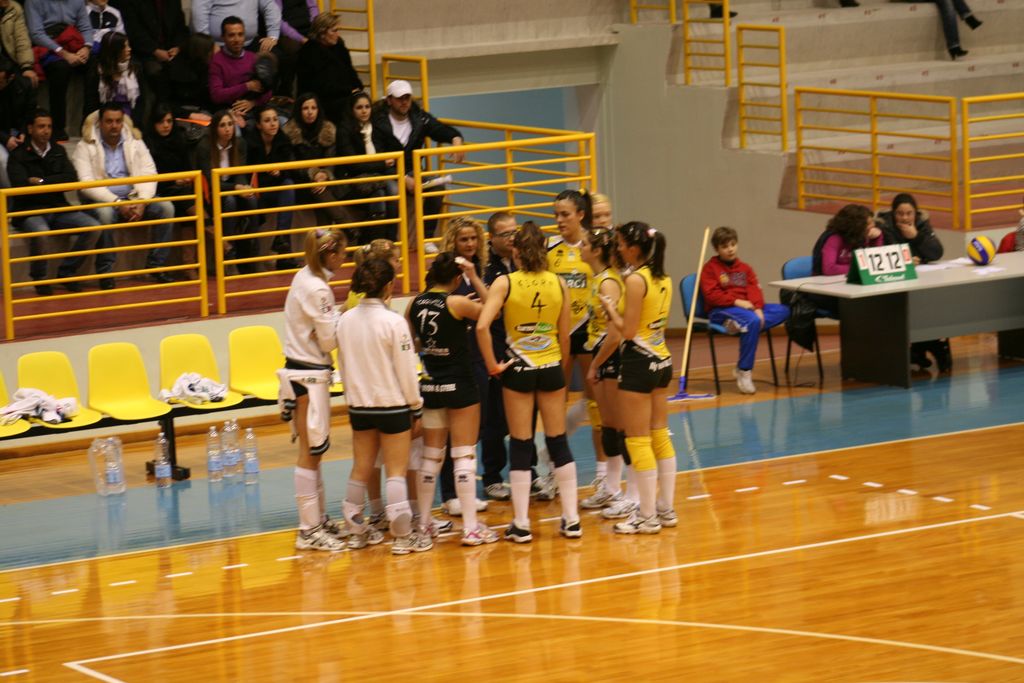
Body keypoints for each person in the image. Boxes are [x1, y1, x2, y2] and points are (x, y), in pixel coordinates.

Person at [476, 221, 583, 543]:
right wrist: (560, 373)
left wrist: (493, 365)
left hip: (519, 369)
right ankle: (572, 519)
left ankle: (521, 524)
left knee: (521, 444)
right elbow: (565, 336)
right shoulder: (558, 283)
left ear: (516, 250)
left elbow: (482, 327)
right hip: (551, 366)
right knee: (558, 442)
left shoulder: (505, 282)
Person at [336, 257, 432, 555]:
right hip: (392, 406)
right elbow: (407, 370)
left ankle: (356, 533)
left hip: (359, 406)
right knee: (396, 472)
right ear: (389, 285)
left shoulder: (345, 320)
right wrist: (416, 406)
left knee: (360, 469)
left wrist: (353, 398)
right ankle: (402, 537)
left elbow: (342, 365)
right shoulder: (394, 322)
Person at [408, 253, 499, 546]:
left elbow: (412, 344)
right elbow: (493, 311)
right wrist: (474, 276)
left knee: (431, 456)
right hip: (460, 385)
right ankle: (471, 528)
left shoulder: (414, 303)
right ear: (457, 278)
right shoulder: (457, 302)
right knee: (463, 455)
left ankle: (424, 524)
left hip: (431, 386)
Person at [600, 222, 676, 534]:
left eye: (620, 244)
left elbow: (628, 331)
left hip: (638, 362)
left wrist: (610, 310)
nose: (617, 249)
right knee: (660, 435)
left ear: (633, 248)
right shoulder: (664, 277)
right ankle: (665, 509)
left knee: (638, 439)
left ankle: (646, 516)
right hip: (662, 360)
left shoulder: (635, 280)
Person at [280, 227, 350, 552]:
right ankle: (308, 530)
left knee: (315, 451)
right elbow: (329, 341)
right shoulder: (318, 289)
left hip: (305, 371)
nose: (345, 259)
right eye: (343, 253)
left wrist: (337, 316)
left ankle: (318, 520)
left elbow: (323, 329)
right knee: (310, 452)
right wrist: (345, 318)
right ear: (331, 254)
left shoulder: (305, 276)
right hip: (308, 374)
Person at [71, 102, 175, 288]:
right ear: (100, 122)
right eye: (109, 121)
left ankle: (156, 265)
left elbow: (150, 172)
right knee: (105, 214)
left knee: (166, 208)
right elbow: (86, 184)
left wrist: (142, 201)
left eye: (118, 121)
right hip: (101, 201)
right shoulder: (84, 145)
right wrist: (117, 202)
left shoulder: (135, 140)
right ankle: (106, 272)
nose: (114, 125)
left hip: (134, 197)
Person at [6, 108, 101, 295]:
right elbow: (20, 185)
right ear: (30, 129)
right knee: (41, 231)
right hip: (30, 211)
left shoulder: (58, 150)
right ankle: (40, 279)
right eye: (41, 126)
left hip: (58, 207)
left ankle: (67, 272)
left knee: (94, 228)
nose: (46, 131)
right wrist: (54, 182)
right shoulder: (17, 155)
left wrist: (41, 182)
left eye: (49, 126)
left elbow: (71, 179)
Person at [547, 189, 605, 490]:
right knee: (555, 403)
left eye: (565, 214)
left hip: (590, 330)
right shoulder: (549, 249)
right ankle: (553, 471)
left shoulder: (595, 247)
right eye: (556, 214)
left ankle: (603, 475)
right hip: (560, 332)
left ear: (581, 215)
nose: (559, 220)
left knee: (596, 404)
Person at [435, 217, 489, 518]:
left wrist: (474, 278)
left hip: (477, 357)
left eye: (473, 238)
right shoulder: (445, 271)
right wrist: (460, 304)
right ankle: (449, 494)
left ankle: (466, 491)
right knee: (449, 434)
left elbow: (492, 308)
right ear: (453, 242)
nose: (469, 244)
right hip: (453, 359)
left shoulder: (478, 269)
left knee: (473, 431)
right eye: (463, 239)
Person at [700, 226, 790, 395]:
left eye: (733, 244)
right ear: (717, 249)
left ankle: (739, 325)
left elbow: (754, 289)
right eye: (725, 246)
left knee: (784, 310)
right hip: (722, 309)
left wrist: (757, 308)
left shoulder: (745, 268)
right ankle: (744, 370)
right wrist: (737, 302)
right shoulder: (710, 268)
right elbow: (712, 296)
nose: (730, 249)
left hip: (748, 309)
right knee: (752, 321)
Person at [372, 79, 464, 244]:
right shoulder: (377, 122)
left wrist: (455, 138)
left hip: (413, 171)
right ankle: (390, 242)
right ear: (389, 100)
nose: (404, 102)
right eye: (400, 98)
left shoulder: (419, 117)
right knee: (394, 193)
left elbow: (438, 128)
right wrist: (403, 178)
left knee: (437, 188)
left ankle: (426, 239)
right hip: (386, 173)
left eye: (407, 97)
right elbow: (378, 158)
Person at [579, 227, 628, 510]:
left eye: (584, 244)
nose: (580, 247)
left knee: (619, 426)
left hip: (612, 356)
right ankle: (611, 488)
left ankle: (628, 494)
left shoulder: (609, 283)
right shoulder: (596, 279)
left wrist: (595, 365)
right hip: (600, 353)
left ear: (597, 250)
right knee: (608, 425)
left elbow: (615, 334)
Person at [876, 193, 948, 372]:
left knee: (930, 303)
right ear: (893, 214)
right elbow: (886, 254)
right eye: (900, 214)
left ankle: (925, 346)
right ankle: (924, 347)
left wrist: (917, 237)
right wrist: (906, 261)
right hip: (893, 283)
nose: (905, 218)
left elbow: (936, 252)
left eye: (909, 213)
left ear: (915, 213)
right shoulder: (885, 227)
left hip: (922, 280)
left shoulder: (922, 224)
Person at [479, 211, 518, 501]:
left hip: (522, 350)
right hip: (493, 349)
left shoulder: (523, 261)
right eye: (505, 234)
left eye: (515, 232)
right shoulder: (484, 268)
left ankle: (527, 471)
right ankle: (492, 477)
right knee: (493, 419)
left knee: (522, 417)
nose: (512, 238)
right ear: (491, 238)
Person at [195, 109, 259, 274]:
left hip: (233, 188)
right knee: (229, 200)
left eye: (230, 124)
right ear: (215, 129)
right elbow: (210, 181)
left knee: (252, 199)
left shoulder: (240, 143)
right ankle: (227, 252)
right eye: (222, 125)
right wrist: (236, 188)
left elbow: (241, 173)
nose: (227, 129)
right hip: (210, 194)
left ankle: (251, 250)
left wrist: (244, 188)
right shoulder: (205, 146)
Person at [283, 92, 354, 232]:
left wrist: (324, 174)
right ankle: (348, 228)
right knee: (318, 190)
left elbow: (331, 160)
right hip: (300, 182)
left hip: (325, 181)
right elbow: (292, 164)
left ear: (318, 110)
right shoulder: (289, 132)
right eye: (305, 108)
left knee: (321, 190)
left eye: (313, 108)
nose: (310, 112)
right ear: (299, 110)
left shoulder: (328, 130)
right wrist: (314, 174)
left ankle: (327, 239)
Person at [24, 0, 94, 141]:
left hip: (72, 40)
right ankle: (58, 127)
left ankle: (90, 122)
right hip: (48, 44)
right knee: (60, 68)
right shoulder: (33, 2)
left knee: (94, 65)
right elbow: (36, 33)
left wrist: (86, 47)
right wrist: (63, 53)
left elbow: (86, 27)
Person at [109, 0, 189, 116]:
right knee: (155, 70)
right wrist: (154, 50)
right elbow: (134, 32)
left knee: (188, 68)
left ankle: (188, 112)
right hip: (144, 51)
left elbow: (180, 28)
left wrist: (177, 47)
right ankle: (163, 115)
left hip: (171, 50)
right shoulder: (132, 3)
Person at [245, 103, 298, 270]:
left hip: (275, 190)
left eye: (275, 119)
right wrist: (265, 173)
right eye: (267, 121)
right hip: (255, 190)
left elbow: (291, 170)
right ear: (259, 125)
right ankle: (273, 253)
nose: (273, 124)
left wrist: (280, 173)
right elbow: (246, 173)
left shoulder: (283, 140)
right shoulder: (249, 142)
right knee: (251, 200)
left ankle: (281, 240)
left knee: (288, 187)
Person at [336, 90, 390, 240]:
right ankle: (375, 242)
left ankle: (389, 239)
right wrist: (382, 164)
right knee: (380, 194)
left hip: (376, 177)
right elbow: (354, 165)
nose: (364, 111)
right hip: (349, 181)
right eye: (359, 107)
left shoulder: (376, 127)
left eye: (367, 107)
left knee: (392, 191)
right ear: (352, 110)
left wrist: (383, 164)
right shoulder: (344, 130)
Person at [811, 204, 883, 315]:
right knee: (867, 305)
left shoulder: (861, 237)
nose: (873, 226)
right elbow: (829, 269)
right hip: (826, 291)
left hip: (850, 286)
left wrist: (877, 239)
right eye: (869, 223)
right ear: (856, 226)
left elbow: (874, 263)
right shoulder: (834, 238)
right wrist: (858, 268)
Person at [296, 12, 361, 128]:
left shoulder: (339, 47)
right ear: (322, 33)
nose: (337, 34)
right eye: (334, 31)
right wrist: (349, 91)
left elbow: (350, 71)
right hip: (321, 100)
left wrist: (357, 88)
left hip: (343, 94)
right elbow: (320, 85)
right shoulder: (309, 52)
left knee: (363, 102)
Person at [208, 16, 271, 126]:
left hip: (253, 109)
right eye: (231, 35)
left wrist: (254, 103)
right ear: (223, 37)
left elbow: (268, 90)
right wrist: (246, 86)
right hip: (227, 111)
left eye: (240, 34)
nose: (237, 39)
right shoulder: (217, 61)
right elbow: (216, 95)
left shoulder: (253, 58)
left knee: (280, 122)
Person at [84, 31, 139, 117]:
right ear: (116, 50)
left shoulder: (135, 68)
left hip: (129, 117)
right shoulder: (97, 71)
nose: (129, 49)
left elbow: (140, 101)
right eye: (125, 46)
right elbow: (91, 102)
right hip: (104, 117)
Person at [0, 56, 35, 188]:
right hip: (1, 135)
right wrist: (6, 139)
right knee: (3, 161)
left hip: (19, 132)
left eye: (0, 81)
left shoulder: (26, 86)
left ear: (11, 78)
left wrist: (24, 132)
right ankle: (11, 197)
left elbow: (30, 114)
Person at [192, 0, 280, 53]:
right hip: (218, 45)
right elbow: (198, 12)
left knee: (277, 55)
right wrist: (209, 44)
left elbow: (270, 6)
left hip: (250, 42)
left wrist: (273, 36)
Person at [0, 0, 40, 89]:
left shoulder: (14, 8)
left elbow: (22, 39)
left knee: (28, 82)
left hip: (10, 61)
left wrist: (26, 67)